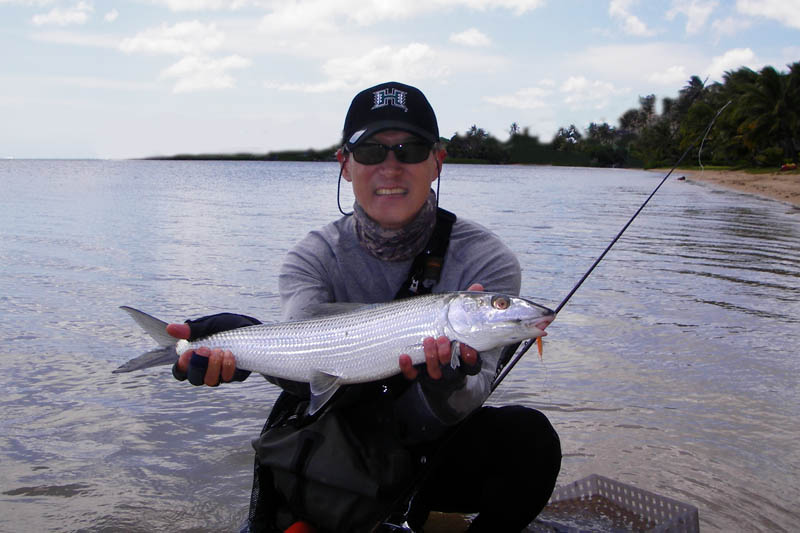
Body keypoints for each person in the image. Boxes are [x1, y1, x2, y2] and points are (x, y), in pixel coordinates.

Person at [167, 81, 561, 532]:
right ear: (345, 164)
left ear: (437, 161)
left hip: (432, 445)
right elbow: (309, 360)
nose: (391, 167)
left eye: (410, 149)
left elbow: (477, 390)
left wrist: (444, 384)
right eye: (372, 151)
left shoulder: (487, 259)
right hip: (336, 443)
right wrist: (240, 344)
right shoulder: (313, 256)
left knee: (530, 442)